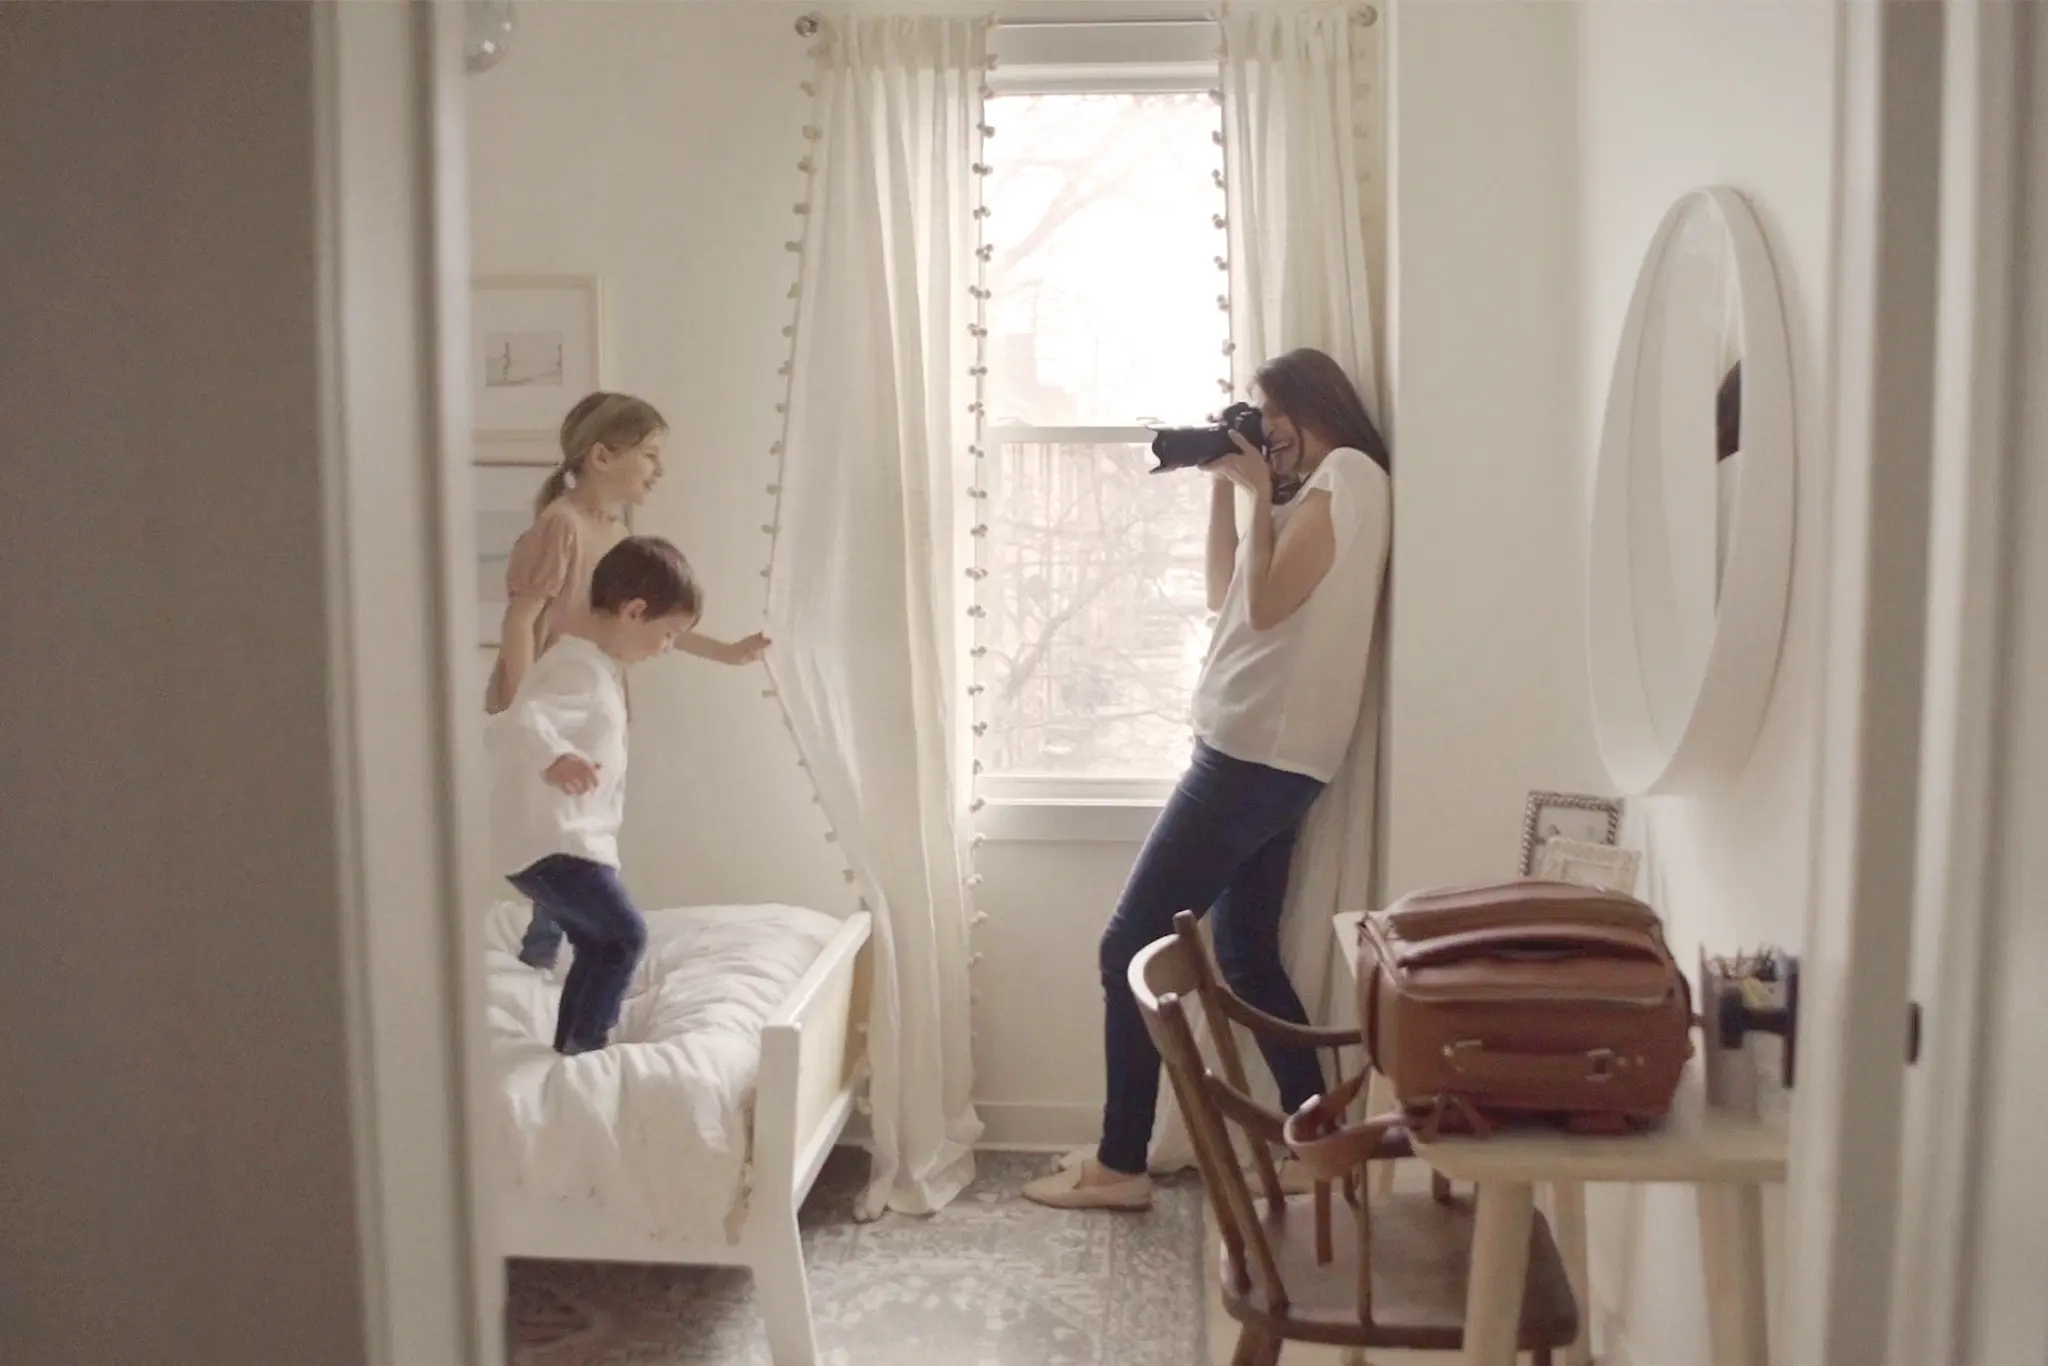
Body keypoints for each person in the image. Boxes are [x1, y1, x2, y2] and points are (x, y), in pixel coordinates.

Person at [1024, 348, 1393, 1211]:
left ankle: (1121, 1164)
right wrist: (1228, 492)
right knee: (1246, 958)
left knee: (1126, 948)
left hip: (1252, 756)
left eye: (1274, 415)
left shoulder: (1349, 475)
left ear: (1313, 404)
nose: (1269, 433)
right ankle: (1318, 1145)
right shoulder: (1320, 490)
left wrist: (1261, 492)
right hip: (1265, 756)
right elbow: (1226, 592)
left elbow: (1265, 610)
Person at [489, 391, 768, 970]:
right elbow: (520, 621)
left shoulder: (617, 536)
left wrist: (725, 652)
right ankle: (546, 952)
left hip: (593, 703)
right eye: (649, 455)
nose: (659, 470)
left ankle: (553, 948)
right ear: (602, 457)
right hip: (557, 706)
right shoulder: (561, 527)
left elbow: (657, 624)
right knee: (560, 833)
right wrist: (526, 714)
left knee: (583, 824)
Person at [488, 536, 701, 1055]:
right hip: (554, 844)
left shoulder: (597, 668)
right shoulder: (577, 668)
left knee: (597, 943)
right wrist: (556, 757)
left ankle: (574, 1046)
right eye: (667, 634)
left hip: (568, 843)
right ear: (634, 611)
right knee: (625, 936)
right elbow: (519, 721)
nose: (666, 648)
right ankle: (586, 1047)